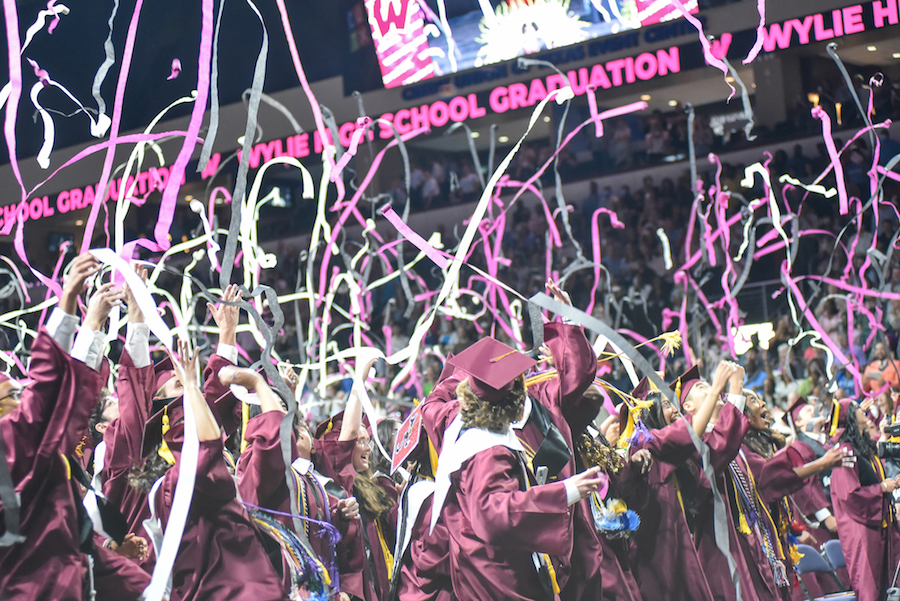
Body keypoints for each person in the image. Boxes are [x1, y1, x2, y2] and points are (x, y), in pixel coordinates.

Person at [430, 336, 605, 601]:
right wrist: (566, 491)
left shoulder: (457, 427)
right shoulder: (489, 449)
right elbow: (493, 514)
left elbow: (432, 406)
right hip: (498, 573)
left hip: (474, 564)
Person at [0, 254, 130, 599]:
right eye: (14, 393)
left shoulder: (36, 452)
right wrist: (69, 302)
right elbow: (50, 390)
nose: (23, 396)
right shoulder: (19, 446)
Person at [148, 339, 284, 601]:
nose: (195, 389)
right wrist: (256, 384)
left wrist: (227, 337)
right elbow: (209, 443)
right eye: (179, 385)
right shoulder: (186, 478)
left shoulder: (206, 472)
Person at [230, 364, 361, 600]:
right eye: (280, 409)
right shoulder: (253, 461)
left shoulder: (304, 475)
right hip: (284, 586)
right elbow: (274, 444)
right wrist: (262, 385)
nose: (287, 415)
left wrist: (340, 513)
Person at [630, 361, 747, 601]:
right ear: (649, 411)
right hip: (662, 554)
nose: (676, 410)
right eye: (666, 404)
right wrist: (717, 389)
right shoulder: (647, 443)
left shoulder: (684, 454)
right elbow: (693, 438)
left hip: (687, 545)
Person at [315, 357, 398, 601]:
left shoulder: (375, 484)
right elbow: (346, 434)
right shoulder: (339, 485)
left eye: (367, 441)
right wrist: (358, 385)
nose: (367, 447)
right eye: (359, 442)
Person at [829, 398, 900, 601]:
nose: (864, 409)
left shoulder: (863, 447)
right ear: (850, 416)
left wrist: (889, 484)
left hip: (876, 523)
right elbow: (849, 494)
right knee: (870, 588)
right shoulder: (845, 451)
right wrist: (882, 488)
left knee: (885, 584)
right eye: (858, 407)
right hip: (861, 528)